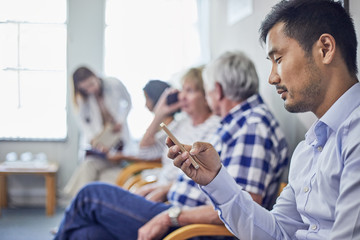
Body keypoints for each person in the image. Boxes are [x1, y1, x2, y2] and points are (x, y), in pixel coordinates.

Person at [168, 0, 360, 239]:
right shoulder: (308, 149)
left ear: (325, 49)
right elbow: (275, 232)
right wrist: (215, 179)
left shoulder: (355, 136)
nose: (271, 78)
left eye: (278, 59)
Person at [54, 51, 288, 240]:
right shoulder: (239, 122)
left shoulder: (252, 126)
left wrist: (170, 216)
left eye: (204, 90)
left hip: (193, 228)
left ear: (216, 90)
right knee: (86, 235)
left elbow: (246, 209)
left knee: (90, 194)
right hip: (179, 210)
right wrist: (168, 191)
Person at [63, 66, 132, 198]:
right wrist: (94, 140)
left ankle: (74, 198)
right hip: (101, 145)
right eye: (86, 88)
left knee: (88, 167)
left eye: (91, 84)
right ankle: (79, 200)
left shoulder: (113, 83)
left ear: (96, 76)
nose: (91, 89)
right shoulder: (82, 99)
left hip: (118, 141)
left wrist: (121, 120)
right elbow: (84, 124)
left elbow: (128, 102)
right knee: (88, 165)